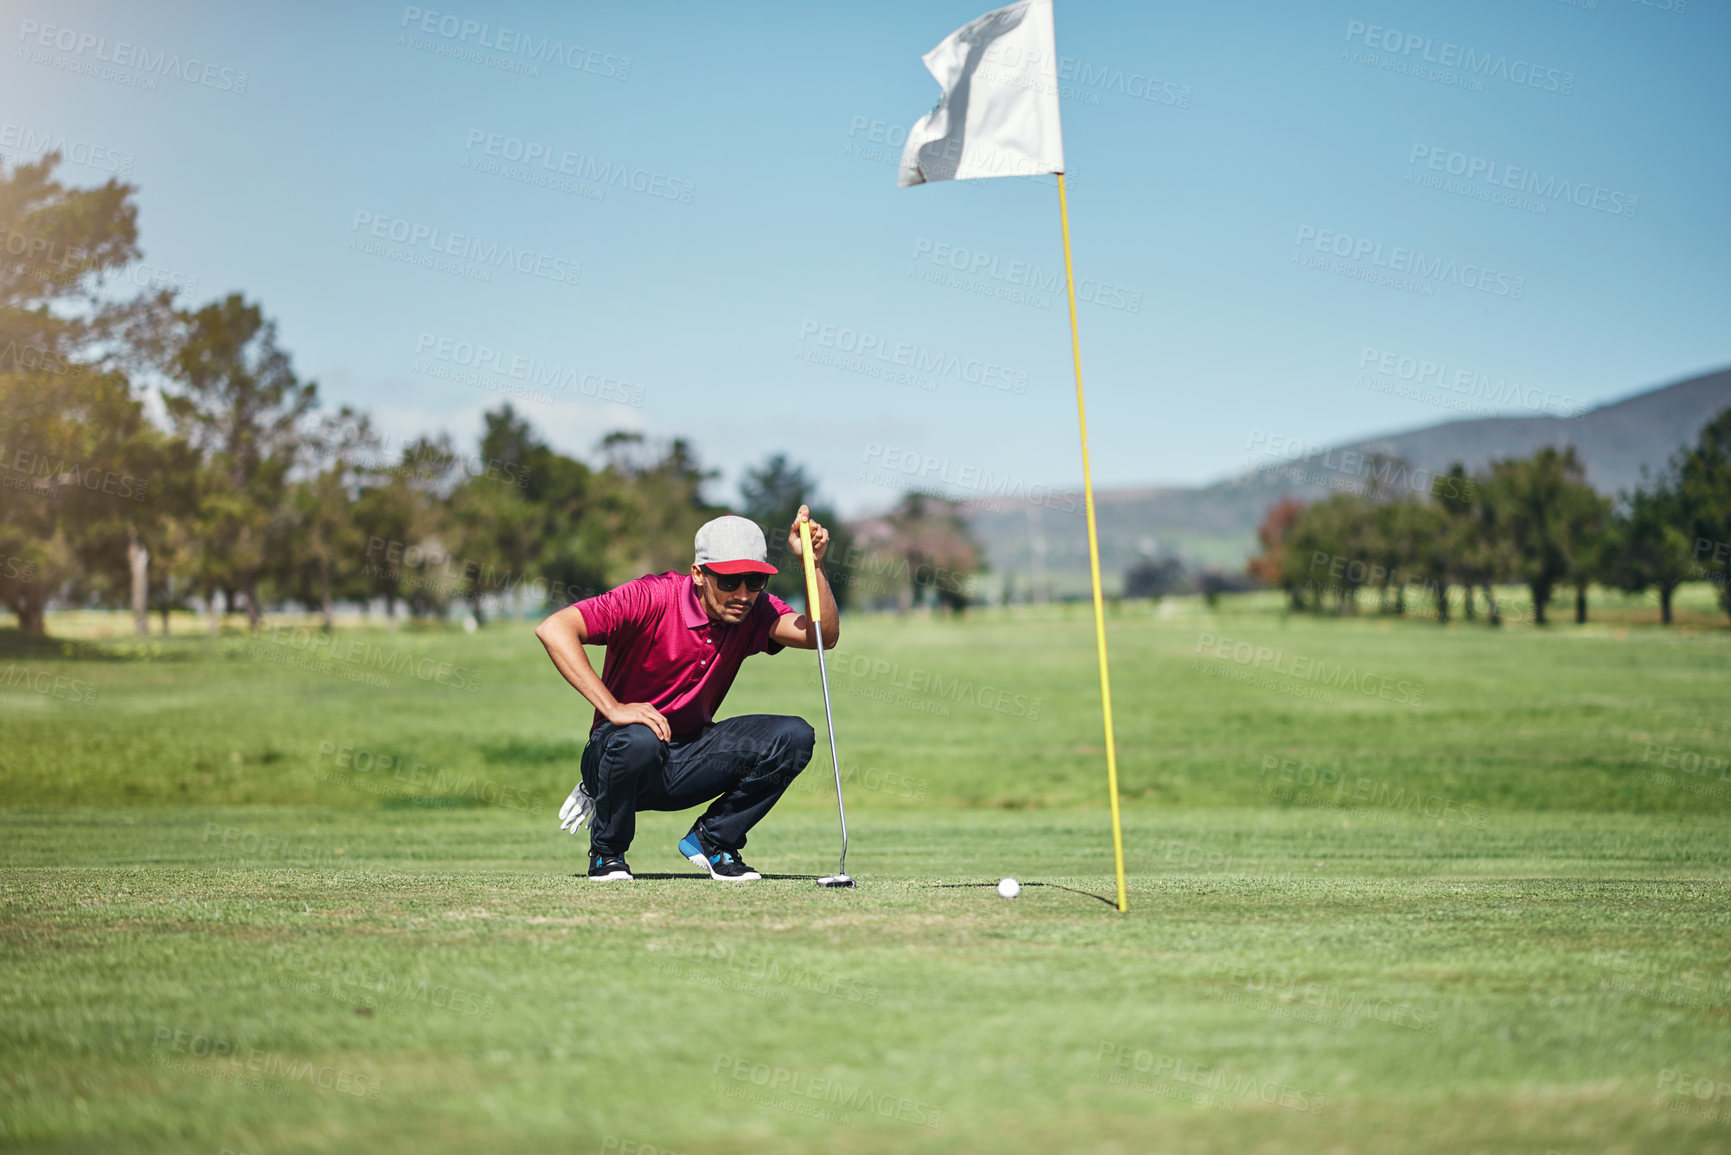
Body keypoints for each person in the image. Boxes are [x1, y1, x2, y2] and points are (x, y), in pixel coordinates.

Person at [535, 506, 838, 881]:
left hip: (690, 757)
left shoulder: (754, 610)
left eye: (755, 581)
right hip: (623, 755)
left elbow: (820, 635)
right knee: (638, 740)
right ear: (698, 573)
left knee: (794, 736)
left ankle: (713, 841)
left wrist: (814, 565)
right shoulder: (650, 597)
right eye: (729, 582)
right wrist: (612, 708)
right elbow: (554, 628)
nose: (743, 594)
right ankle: (607, 854)